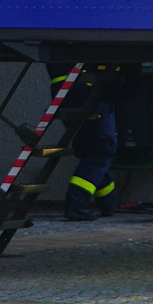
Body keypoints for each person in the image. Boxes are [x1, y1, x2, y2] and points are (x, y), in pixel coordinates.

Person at [47, 64, 120, 221]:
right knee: (102, 148)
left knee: (91, 149)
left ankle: (108, 202)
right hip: (87, 88)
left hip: (66, 91)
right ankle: (77, 204)